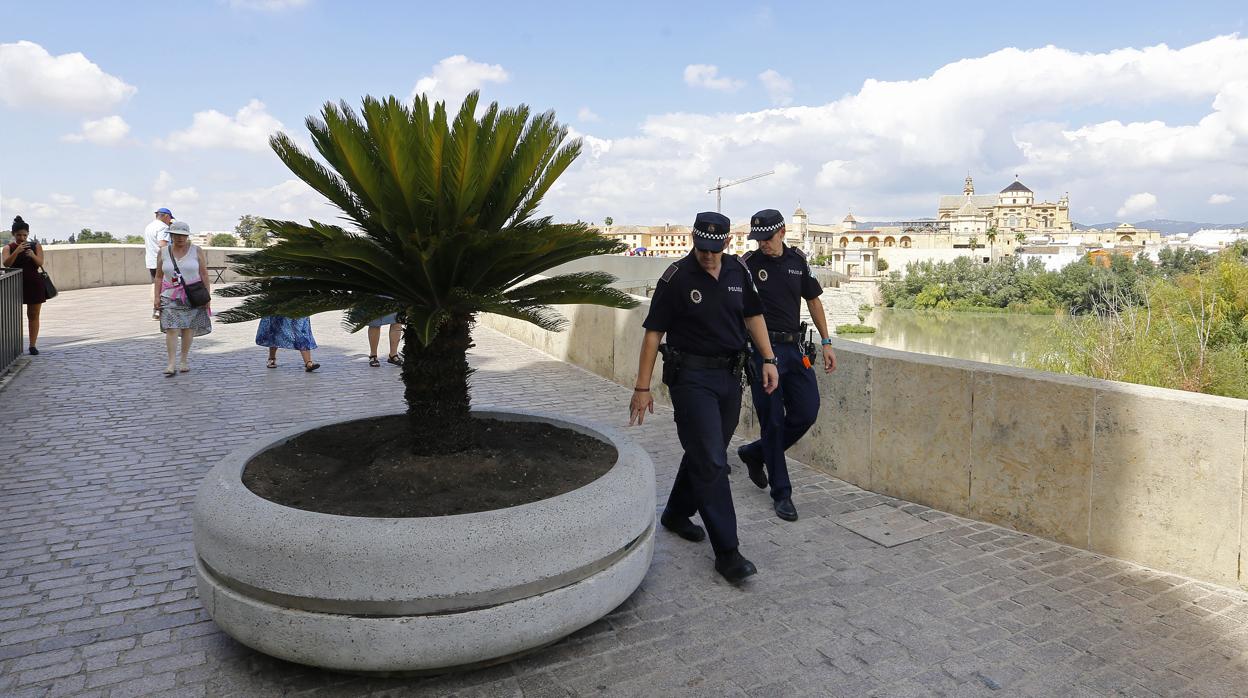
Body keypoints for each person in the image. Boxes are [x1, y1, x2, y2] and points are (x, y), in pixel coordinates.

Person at [629, 211, 779, 584]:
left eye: (715, 248)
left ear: (727, 243)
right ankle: (728, 552)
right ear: (694, 240)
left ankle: (677, 513)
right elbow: (653, 333)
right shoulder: (676, 278)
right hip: (691, 379)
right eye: (702, 248)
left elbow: (754, 316)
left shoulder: (738, 272)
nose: (708, 255)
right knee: (713, 460)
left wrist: (769, 359)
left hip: (730, 377)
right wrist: (642, 387)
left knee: (705, 450)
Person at [736, 209, 837, 522]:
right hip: (763, 353)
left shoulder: (798, 261)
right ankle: (782, 493)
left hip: (795, 349)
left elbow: (814, 300)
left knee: (807, 411)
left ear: (781, 232)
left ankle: (754, 453)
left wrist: (827, 340)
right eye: (758, 239)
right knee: (773, 422)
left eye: (767, 238)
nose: (762, 244)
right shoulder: (747, 266)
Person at [153, 221, 211, 376]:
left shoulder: (196, 250)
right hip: (169, 296)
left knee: (188, 329)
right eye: (176, 235)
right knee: (171, 328)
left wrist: (207, 296)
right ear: (171, 236)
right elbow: (159, 277)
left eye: (183, 235)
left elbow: (204, 274)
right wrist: (156, 297)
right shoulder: (163, 252)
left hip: (192, 295)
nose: (180, 238)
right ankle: (171, 363)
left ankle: (184, 359)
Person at [2, 216, 47, 355]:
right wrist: (17, 251)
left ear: (28, 234)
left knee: (33, 314)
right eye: (19, 235)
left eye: (25, 235)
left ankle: (32, 345)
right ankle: (10, 346)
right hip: (13, 285)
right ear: (13, 234)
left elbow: (40, 263)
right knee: (10, 315)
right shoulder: (8, 248)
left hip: (33, 284)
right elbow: (6, 264)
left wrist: (32, 255)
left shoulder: (35, 245)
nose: (22, 238)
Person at [256, 316, 320, 372]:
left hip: (299, 305)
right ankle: (272, 358)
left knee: (301, 330)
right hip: (278, 304)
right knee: (275, 330)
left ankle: (308, 362)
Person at [144, 208, 173, 281]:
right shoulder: (163, 227)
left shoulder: (149, 226)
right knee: (166, 286)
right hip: (162, 263)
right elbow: (163, 245)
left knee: (156, 284)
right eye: (170, 218)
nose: (170, 221)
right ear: (166, 216)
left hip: (151, 261)